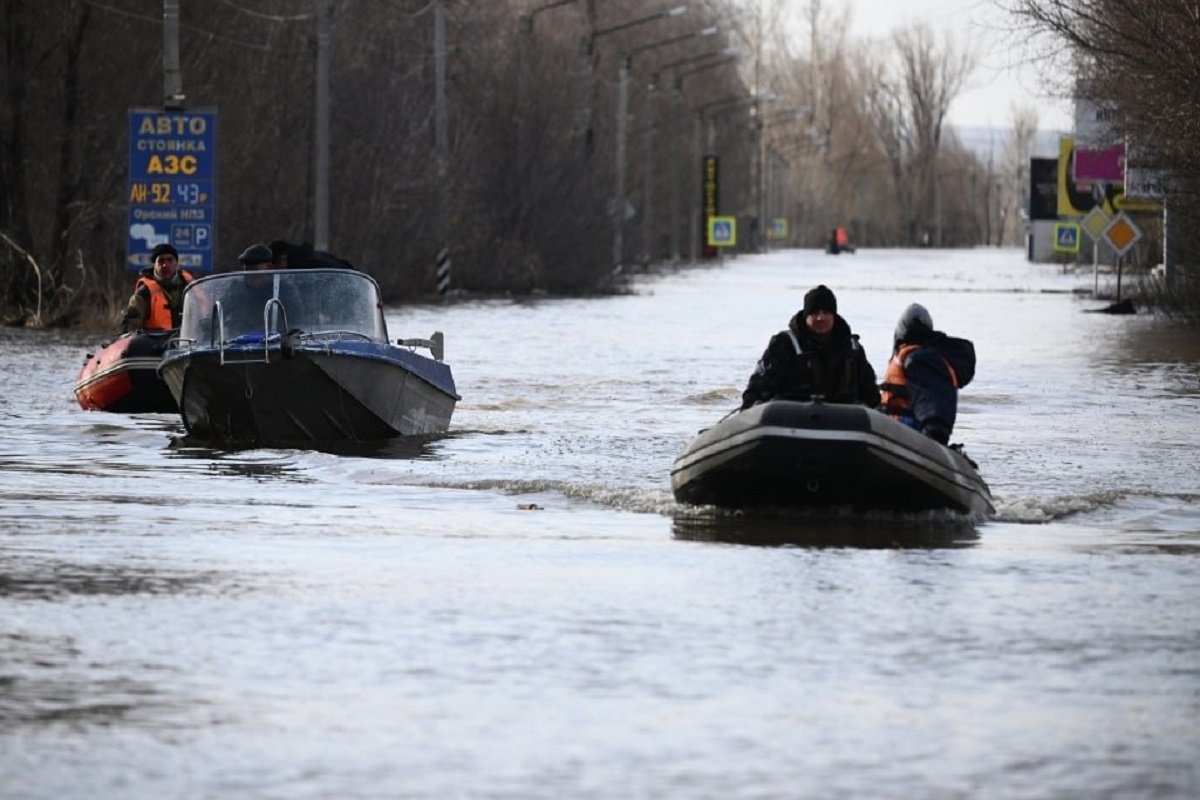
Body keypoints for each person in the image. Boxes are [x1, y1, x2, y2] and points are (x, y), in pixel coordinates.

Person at [740, 284, 880, 410]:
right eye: (815, 313)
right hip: (790, 418)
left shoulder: (852, 348)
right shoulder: (784, 344)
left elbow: (870, 393)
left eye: (826, 312)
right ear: (806, 315)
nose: (821, 318)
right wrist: (749, 409)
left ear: (834, 316)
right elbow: (760, 385)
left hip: (845, 419)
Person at [878, 303, 977, 445]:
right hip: (896, 428)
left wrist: (933, 434)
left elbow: (932, 402)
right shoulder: (923, 356)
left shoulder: (919, 360)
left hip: (909, 433)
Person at [120, 243, 194, 332]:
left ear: (176, 263)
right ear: (154, 264)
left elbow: (206, 313)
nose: (165, 265)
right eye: (161, 261)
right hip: (156, 342)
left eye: (169, 260)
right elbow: (131, 324)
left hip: (189, 341)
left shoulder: (190, 285)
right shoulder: (144, 292)